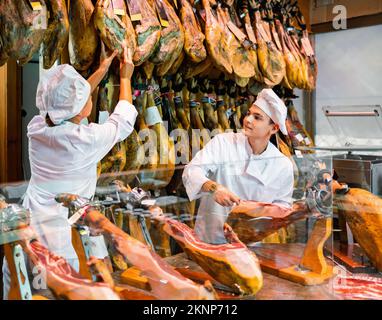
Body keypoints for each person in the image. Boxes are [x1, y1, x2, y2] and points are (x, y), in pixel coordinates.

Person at [2, 44, 137, 299]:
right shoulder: (84, 140)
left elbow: (65, 106)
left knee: (21, 287)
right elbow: (123, 120)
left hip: (30, 222)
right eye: (86, 97)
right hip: (61, 232)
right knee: (57, 289)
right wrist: (125, 77)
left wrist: (101, 69)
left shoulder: (38, 126)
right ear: (81, 109)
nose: (89, 99)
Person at [182, 89, 294, 244]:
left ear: (274, 128)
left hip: (251, 244)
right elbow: (191, 171)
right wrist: (213, 188)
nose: (247, 119)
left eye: (257, 117)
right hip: (210, 240)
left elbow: (283, 208)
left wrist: (253, 210)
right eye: (248, 113)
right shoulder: (223, 142)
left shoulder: (282, 165)